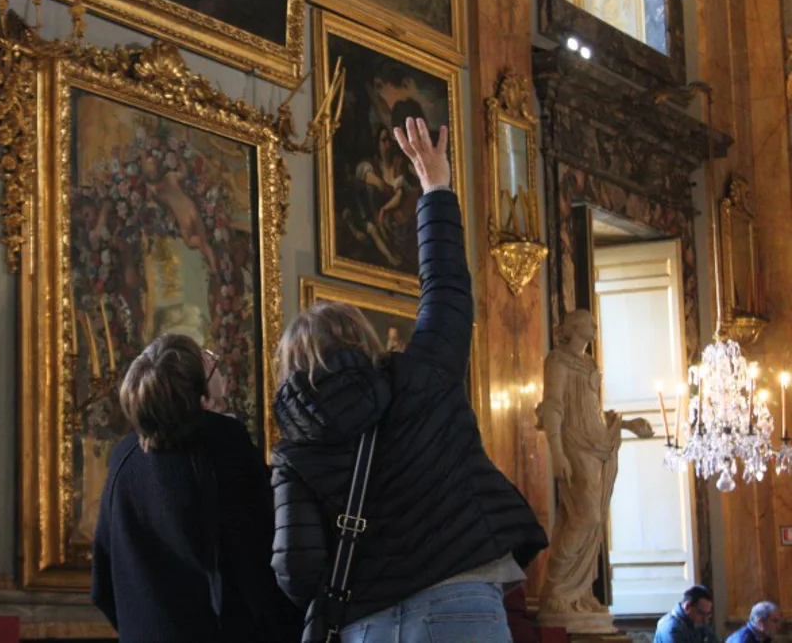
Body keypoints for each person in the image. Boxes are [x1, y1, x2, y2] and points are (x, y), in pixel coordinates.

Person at [271, 117, 548, 643]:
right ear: (362, 339)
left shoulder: (294, 452)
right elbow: (446, 289)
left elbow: (297, 571)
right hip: (460, 605)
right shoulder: (421, 378)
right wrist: (436, 188)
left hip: (364, 626)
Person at [91, 333, 299, 642]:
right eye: (211, 364)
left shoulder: (123, 458)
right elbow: (259, 561)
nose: (219, 366)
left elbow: (103, 586)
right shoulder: (224, 444)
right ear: (199, 395)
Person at [536, 309, 653, 622]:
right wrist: (557, 452)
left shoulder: (589, 363)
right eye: (588, 320)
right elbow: (553, 406)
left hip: (597, 446)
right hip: (574, 446)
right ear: (574, 327)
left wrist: (628, 424)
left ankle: (580, 593)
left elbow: (594, 413)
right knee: (584, 517)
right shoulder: (558, 361)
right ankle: (558, 589)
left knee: (593, 520)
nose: (595, 324)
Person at [655, 586, 720, 643]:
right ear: (687, 607)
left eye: (708, 614)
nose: (706, 620)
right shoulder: (670, 628)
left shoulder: (701, 624)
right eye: (701, 613)